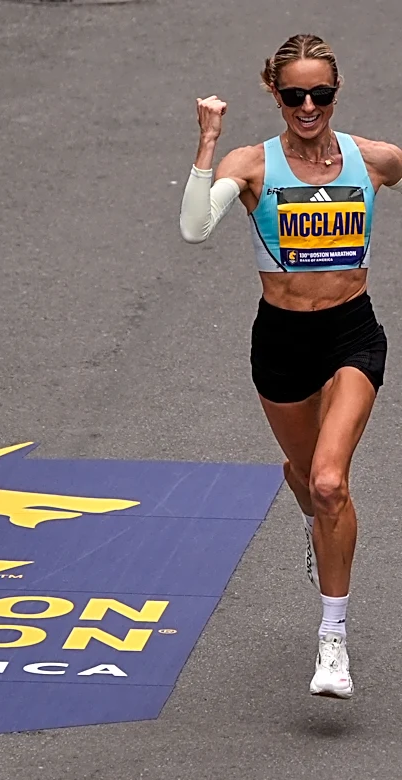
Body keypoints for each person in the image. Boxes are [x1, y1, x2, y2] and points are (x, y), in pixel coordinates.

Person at [179, 33, 402, 698]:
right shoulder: (253, 166)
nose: (309, 105)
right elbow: (194, 228)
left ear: (336, 93)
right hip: (280, 344)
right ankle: (315, 522)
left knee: (332, 482)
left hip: (351, 337)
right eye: (295, 93)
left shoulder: (374, 160)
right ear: (274, 93)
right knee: (307, 482)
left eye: (322, 93)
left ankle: (332, 640)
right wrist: (208, 141)